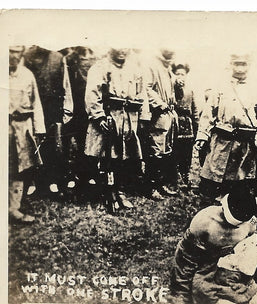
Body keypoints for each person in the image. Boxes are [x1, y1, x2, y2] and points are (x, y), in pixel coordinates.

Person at [169, 188, 257, 304]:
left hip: (232, 268)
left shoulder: (250, 223)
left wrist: (250, 274)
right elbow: (185, 260)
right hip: (207, 269)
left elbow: (250, 253)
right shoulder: (204, 222)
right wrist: (181, 294)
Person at [194, 54, 257, 200]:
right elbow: (208, 113)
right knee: (214, 180)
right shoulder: (221, 86)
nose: (239, 68)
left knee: (239, 183)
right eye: (236, 64)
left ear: (249, 66)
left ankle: (233, 213)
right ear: (230, 64)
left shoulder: (256, 89)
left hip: (243, 145)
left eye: (243, 64)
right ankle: (211, 212)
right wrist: (202, 136)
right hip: (221, 142)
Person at [84, 47, 148, 211]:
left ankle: (120, 192)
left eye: (125, 48)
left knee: (123, 157)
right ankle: (104, 194)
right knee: (105, 157)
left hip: (127, 117)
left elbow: (141, 94)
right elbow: (92, 93)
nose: (122, 51)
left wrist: (141, 116)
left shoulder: (134, 68)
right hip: (107, 117)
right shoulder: (100, 67)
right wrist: (98, 116)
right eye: (118, 47)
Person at [23, 45, 73, 197]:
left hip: (53, 108)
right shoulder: (27, 57)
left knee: (53, 145)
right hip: (33, 107)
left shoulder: (58, 58)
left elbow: (66, 86)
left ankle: (53, 181)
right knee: (33, 145)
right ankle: (34, 182)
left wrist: (67, 110)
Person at [8, 46, 45, 223]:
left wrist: (39, 129)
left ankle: (14, 207)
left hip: (23, 126)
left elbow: (36, 103)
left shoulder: (27, 75)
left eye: (17, 51)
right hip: (2, 126)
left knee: (20, 167)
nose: (13, 55)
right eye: (10, 51)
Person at [61, 46, 98, 197]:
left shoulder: (96, 59)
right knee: (67, 142)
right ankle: (69, 176)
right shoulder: (70, 58)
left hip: (88, 106)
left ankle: (87, 175)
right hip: (72, 105)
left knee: (86, 141)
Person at [143, 48, 180, 198]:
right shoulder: (152, 65)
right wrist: (159, 103)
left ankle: (160, 184)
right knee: (156, 150)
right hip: (158, 113)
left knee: (166, 150)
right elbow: (146, 87)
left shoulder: (168, 67)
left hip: (168, 113)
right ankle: (150, 187)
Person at [172, 63, 201, 189]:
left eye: (182, 74)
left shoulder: (190, 90)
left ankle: (186, 176)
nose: (180, 76)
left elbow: (195, 110)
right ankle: (175, 178)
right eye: (177, 74)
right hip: (175, 122)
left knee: (187, 153)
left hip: (187, 124)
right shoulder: (171, 90)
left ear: (186, 75)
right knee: (175, 151)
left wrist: (197, 128)